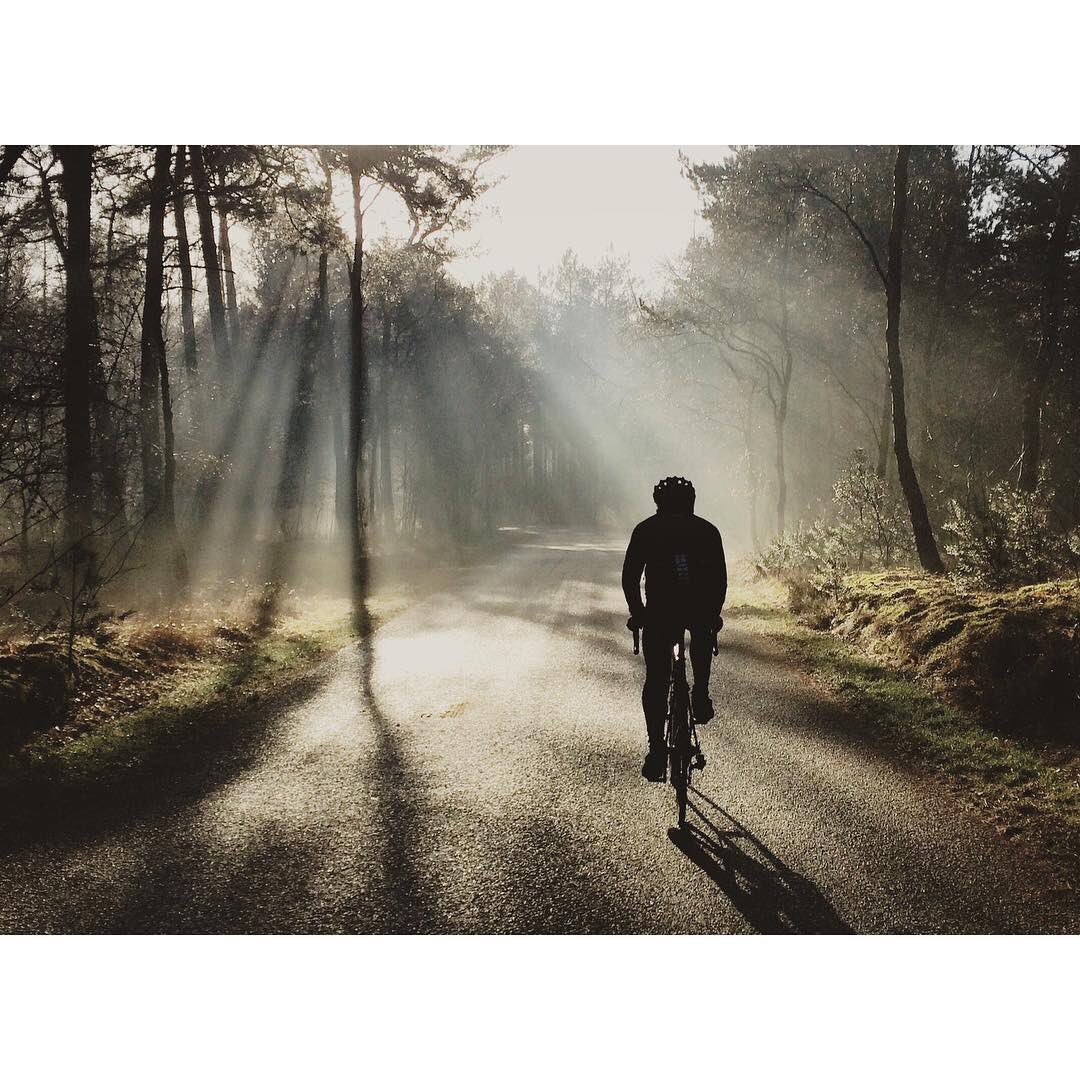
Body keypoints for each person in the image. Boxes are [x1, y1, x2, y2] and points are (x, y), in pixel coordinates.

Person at [622, 476, 727, 782]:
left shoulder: (646, 530)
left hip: (658, 612)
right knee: (702, 634)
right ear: (692, 502)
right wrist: (714, 614)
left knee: (656, 679)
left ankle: (656, 750)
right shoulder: (707, 530)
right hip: (698, 609)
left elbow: (630, 578)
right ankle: (701, 694)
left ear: (658, 504)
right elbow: (719, 580)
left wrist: (637, 612)